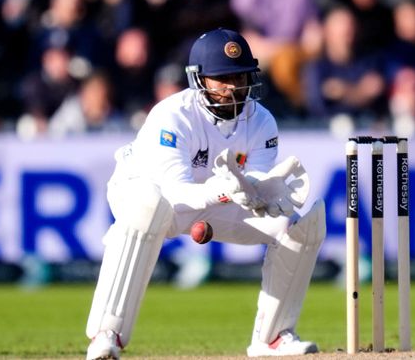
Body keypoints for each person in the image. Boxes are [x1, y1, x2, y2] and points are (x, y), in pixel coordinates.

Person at [85, 28, 324, 360]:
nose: (233, 87)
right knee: (148, 207)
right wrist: (224, 189)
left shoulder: (262, 122)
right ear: (198, 80)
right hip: (147, 192)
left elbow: (250, 184)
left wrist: (263, 191)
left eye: (240, 77)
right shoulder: (172, 116)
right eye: (222, 79)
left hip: (216, 201)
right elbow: (173, 191)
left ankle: (272, 338)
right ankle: (105, 335)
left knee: (298, 226)